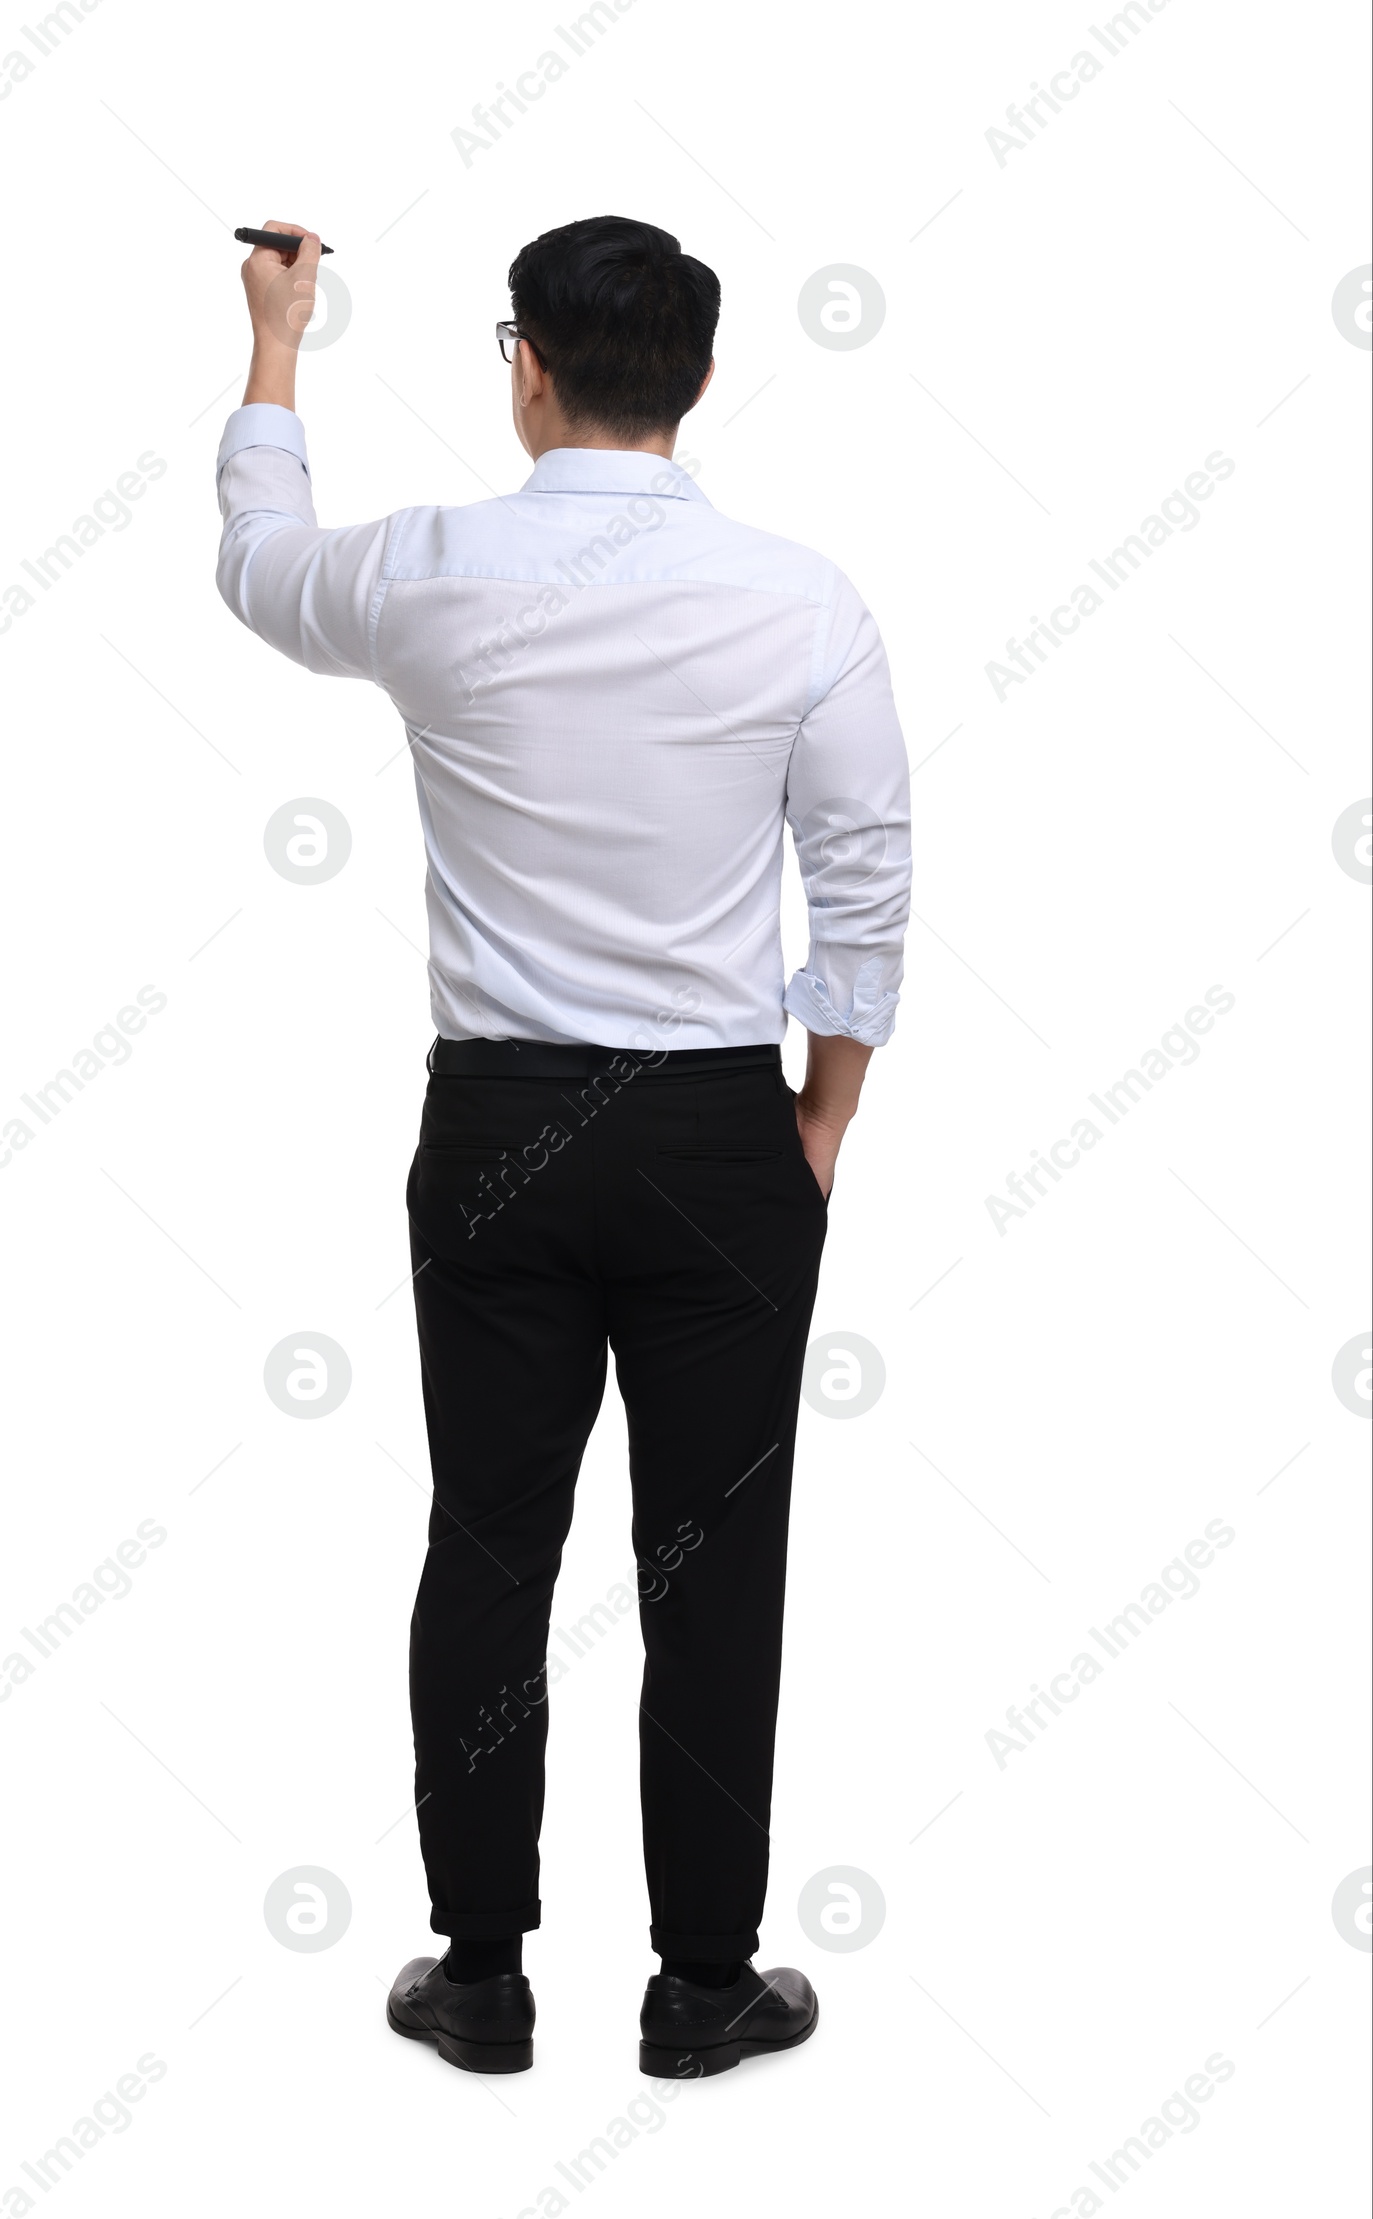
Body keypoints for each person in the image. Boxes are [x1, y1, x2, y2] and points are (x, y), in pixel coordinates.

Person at [216, 213, 911, 2077]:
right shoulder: (803, 598)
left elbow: (261, 563)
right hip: (716, 1134)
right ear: (694, 377)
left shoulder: (436, 570)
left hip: (505, 1127)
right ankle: (701, 1989)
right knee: (714, 1567)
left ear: (523, 365)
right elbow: (863, 878)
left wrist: (281, 344)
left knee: (492, 1546)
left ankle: (484, 1974)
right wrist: (824, 1116)